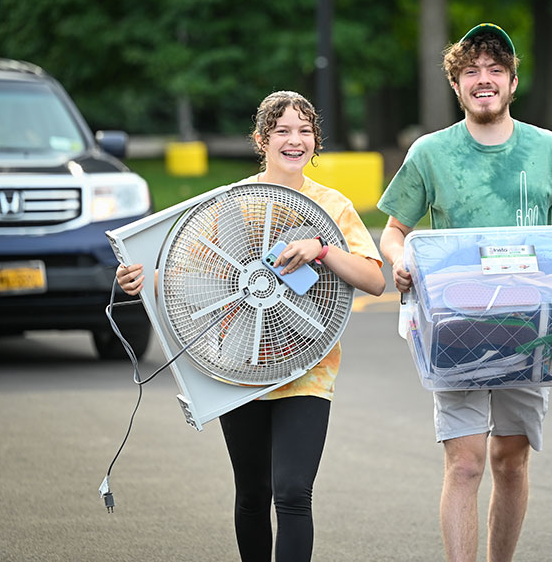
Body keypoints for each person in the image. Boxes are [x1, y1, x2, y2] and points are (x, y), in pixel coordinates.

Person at [116, 90, 386, 562]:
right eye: (282, 131)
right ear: (262, 140)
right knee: (253, 494)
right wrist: (143, 278)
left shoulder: (333, 207)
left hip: (308, 369)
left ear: (315, 141)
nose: (294, 140)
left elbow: (375, 279)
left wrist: (322, 249)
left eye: (305, 131)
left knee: (293, 493)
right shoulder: (233, 203)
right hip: (241, 365)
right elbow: (193, 273)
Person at [377, 22, 552, 562]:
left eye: (495, 70)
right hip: (456, 327)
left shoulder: (548, 149)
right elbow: (394, 230)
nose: (483, 80)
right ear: (456, 86)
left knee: (510, 460)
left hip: (534, 329)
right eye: (471, 72)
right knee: (464, 462)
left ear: (512, 81)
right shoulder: (431, 153)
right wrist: (401, 259)